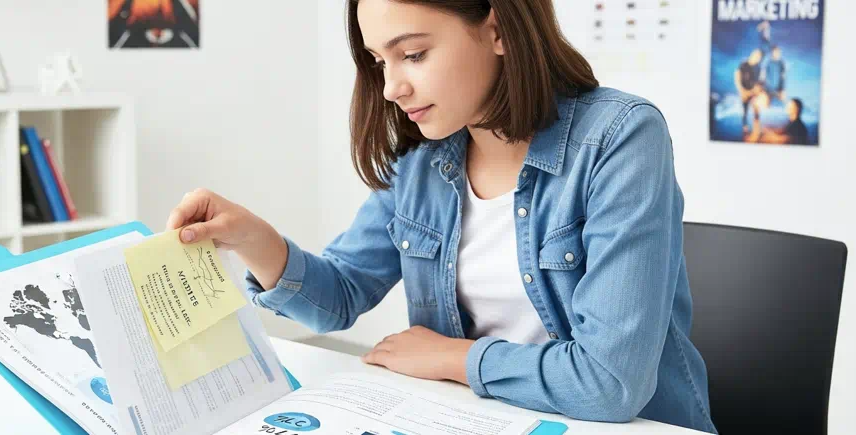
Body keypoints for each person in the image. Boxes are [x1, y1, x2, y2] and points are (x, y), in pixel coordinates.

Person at [166, 1, 716, 433]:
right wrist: (250, 237)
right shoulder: (424, 163)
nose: (391, 88)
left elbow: (609, 384)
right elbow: (338, 297)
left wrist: (452, 358)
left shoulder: (619, 138)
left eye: (413, 54)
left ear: (497, 30)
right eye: (379, 62)